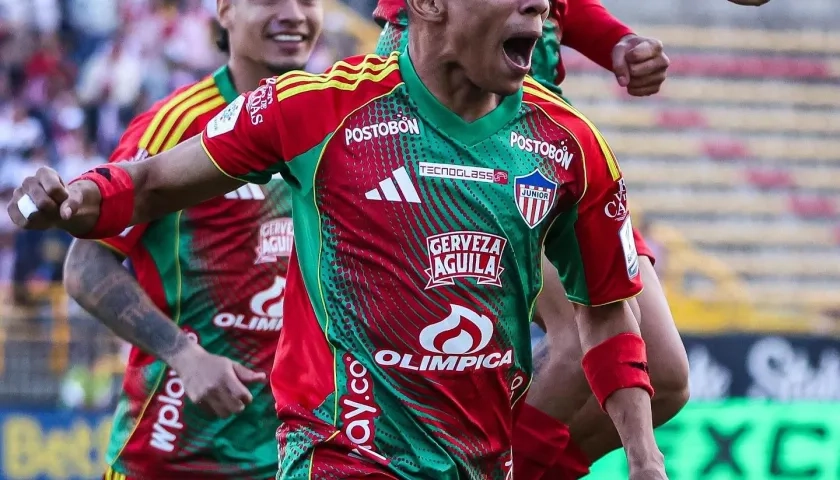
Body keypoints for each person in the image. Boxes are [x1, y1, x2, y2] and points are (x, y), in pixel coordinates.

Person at [9, 0, 668, 478]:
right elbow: (141, 191)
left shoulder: (569, 143)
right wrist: (75, 200)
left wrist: (644, 459)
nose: (543, 7)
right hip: (285, 455)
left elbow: (609, 311)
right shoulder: (308, 109)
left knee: (668, 372)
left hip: (434, 455)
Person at [374, 1, 685, 478]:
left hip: (543, 124)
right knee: (581, 342)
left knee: (663, 374)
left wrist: (616, 41)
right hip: (458, 101)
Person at [59, 1, 323, 478]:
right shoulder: (178, 123)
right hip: (170, 455)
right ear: (225, 10)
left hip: (290, 456)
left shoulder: (332, 119)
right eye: (269, 0)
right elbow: (85, 265)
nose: (294, 14)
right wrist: (184, 354)